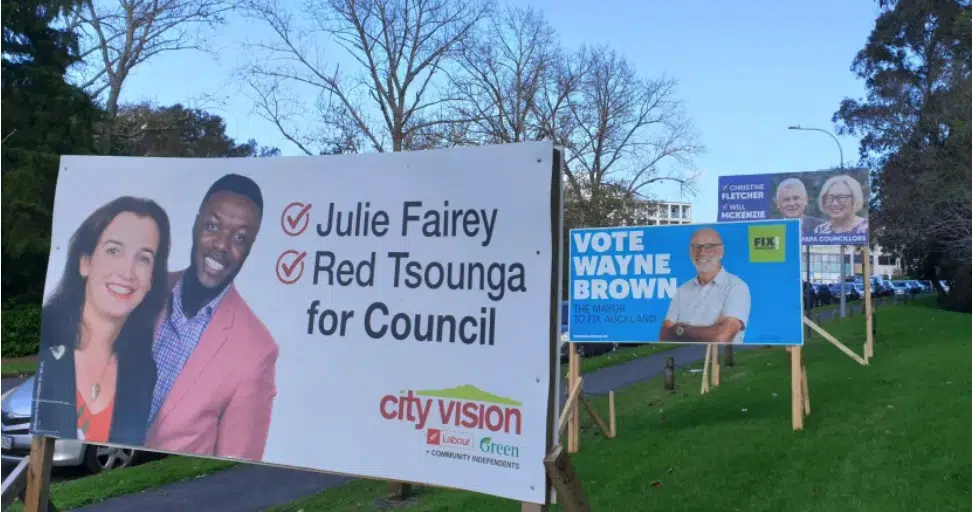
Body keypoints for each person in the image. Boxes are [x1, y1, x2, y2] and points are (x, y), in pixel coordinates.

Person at [146, 173, 278, 461]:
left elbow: (235, 470)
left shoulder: (257, 351)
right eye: (213, 226)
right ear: (196, 225)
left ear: (250, 248)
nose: (221, 244)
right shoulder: (142, 290)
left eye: (240, 237)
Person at [32, 196, 172, 446]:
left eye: (144, 258)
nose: (127, 271)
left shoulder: (142, 371)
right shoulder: (45, 338)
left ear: (152, 279)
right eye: (114, 251)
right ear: (85, 262)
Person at [658, 228, 751, 344]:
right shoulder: (682, 290)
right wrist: (711, 329)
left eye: (709, 247)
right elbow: (664, 335)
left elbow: (722, 336)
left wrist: (680, 330)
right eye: (695, 246)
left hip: (720, 359)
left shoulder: (736, 287)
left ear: (721, 251)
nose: (701, 252)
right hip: (684, 359)